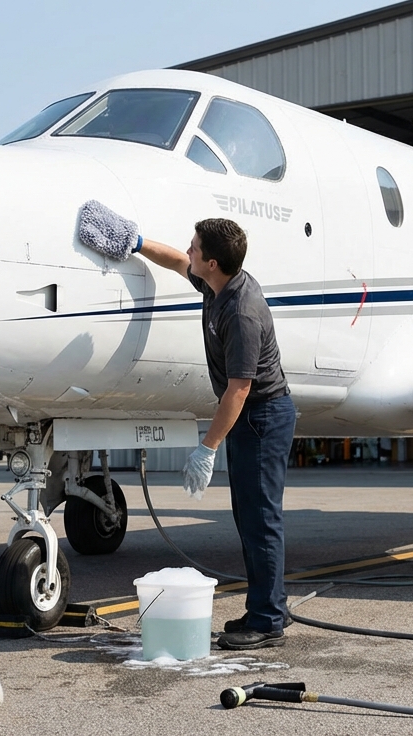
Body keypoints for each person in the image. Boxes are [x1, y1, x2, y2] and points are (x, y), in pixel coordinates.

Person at [78, 203, 295, 651]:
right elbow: (177, 262)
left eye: (195, 247)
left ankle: (268, 620)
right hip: (251, 415)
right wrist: (135, 242)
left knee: (260, 520)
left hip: (262, 416)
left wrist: (207, 448)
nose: (188, 251)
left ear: (212, 262)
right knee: (249, 517)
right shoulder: (217, 282)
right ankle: (268, 605)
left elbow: (238, 389)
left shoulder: (241, 311)